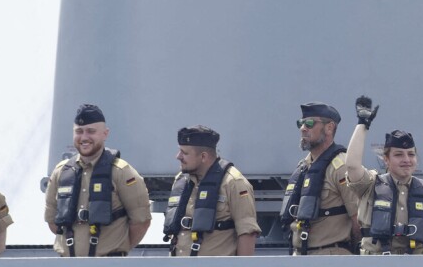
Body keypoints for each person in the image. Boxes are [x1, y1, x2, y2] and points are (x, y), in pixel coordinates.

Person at [44, 104, 152, 257]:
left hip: (110, 265)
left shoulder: (122, 172)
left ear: (105, 134)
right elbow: (52, 222)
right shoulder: (60, 172)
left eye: (91, 131)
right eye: (79, 131)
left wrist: (117, 249)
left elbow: (141, 221)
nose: (84, 137)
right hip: (67, 265)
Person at [344, 97, 423, 255]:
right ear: (386, 159)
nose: (406, 160)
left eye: (411, 154)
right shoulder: (369, 187)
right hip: (374, 265)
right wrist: (363, 124)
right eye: (398, 155)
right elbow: (352, 165)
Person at [163, 126, 261, 256]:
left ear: (203, 156)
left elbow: (247, 232)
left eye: (184, 153)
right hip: (180, 266)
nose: (178, 156)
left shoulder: (233, 183)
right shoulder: (181, 181)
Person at [279, 102, 361, 255]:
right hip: (301, 256)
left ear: (329, 128)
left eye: (309, 123)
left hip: (332, 257)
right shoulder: (303, 167)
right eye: (300, 123)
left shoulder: (341, 167)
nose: (303, 128)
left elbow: (358, 219)